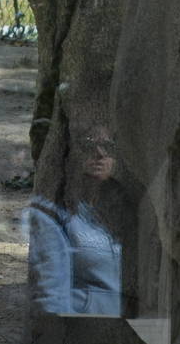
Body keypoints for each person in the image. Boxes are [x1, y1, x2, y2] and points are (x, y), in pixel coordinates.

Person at [26, 125, 124, 315]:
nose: (100, 153)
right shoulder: (56, 211)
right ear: (73, 155)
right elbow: (52, 295)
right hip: (83, 324)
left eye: (107, 146)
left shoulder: (127, 207)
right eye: (89, 145)